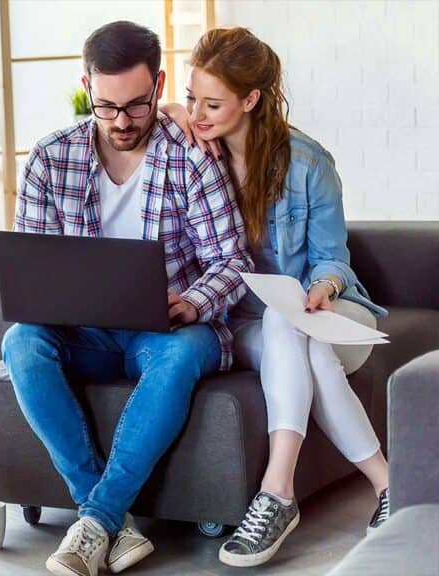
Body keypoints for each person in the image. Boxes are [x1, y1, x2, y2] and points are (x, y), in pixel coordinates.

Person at [1, 21, 252, 576]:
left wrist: (189, 303)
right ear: (86, 85)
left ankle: (94, 521)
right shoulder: (49, 158)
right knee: (21, 342)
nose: (120, 121)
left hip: (167, 332)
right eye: (105, 105)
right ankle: (110, 519)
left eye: (137, 106)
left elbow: (234, 261)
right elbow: (33, 270)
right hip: (84, 333)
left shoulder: (190, 155)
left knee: (181, 352)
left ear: (159, 85)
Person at [161, 27, 390, 568]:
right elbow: (144, 121)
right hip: (249, 324)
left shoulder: (308, 163)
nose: (197, 113)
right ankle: (390, 486)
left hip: (330, 313)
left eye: (212, 103)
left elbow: (333, 257)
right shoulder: (194, 155)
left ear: (251, 99)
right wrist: (174, 111)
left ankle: (277, 493)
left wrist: (322, 287)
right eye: (192, 98)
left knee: (300, 331)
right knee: (288, 332)